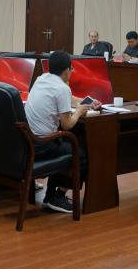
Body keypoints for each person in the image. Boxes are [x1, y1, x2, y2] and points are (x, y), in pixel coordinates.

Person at [25, 51, 99, 213]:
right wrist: (79, 112)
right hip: (43, 145)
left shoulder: (41, 79)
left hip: (28, 140)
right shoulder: (62, 88)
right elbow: (67, 125)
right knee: (81, 154)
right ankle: (57, 196)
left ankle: (50, 196)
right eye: (71, 69)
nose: (72, 72)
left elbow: (65, 98)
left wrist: (86, 102)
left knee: (70, 143)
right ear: (66, 70)